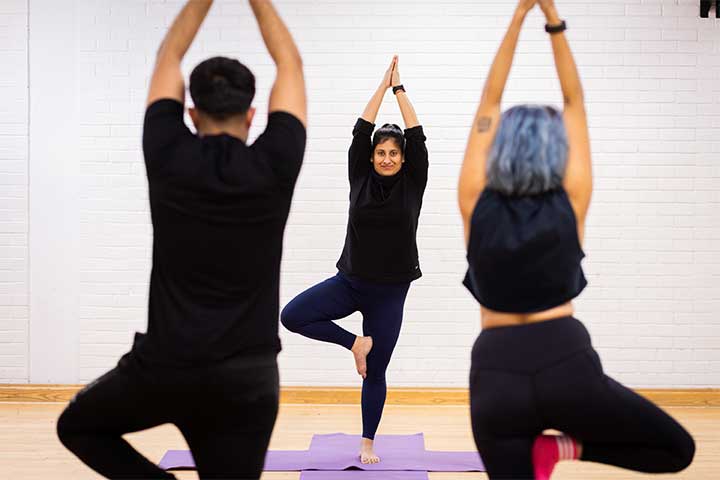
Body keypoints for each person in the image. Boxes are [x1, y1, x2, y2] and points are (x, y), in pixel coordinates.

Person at [56, 1, 306, 478]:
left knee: (78, 427)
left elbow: (168, 56)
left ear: (190, 112)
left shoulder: (166, 151)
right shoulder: (275, 163)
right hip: (246, 378)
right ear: (253, 113)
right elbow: (290, 64)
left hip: (166, 369)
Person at [457, 1, 695, 479]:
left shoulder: (473, 198)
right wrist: (552, 20)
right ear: (557, 149)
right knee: (676, 450)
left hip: (495, 374)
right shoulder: (572, 198)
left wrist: (517, 17)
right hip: (564, 361)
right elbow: (574, 103)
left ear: (498, 148)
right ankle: (564, 450)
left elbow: (489, 100)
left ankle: (549, 454)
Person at [281, 56, 428, 464]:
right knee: (292, 316)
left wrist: (400, 91)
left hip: (390, 293)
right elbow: (360, 130)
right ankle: (355, 344)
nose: (385, 158)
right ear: (370, 157)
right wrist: (381, 85)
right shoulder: (359, 177)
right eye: (379, 152)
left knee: (376, 372)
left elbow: (417, 136)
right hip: (350, 282)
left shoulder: (413, 184)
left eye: (392, 154)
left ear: (402, 159)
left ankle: (367, 442)